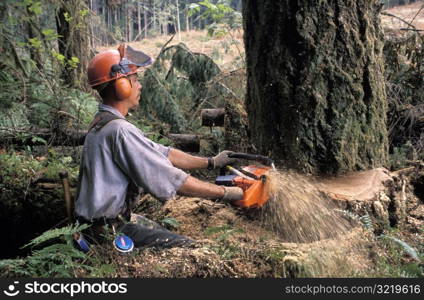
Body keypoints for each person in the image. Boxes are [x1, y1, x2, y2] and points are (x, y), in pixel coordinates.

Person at [74, 44, 244, 249]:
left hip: (99, 223)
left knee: (163, 232)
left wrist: (211, 162)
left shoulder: (103, 122)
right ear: (121, 86)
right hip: (107, 230)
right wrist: (224, 193)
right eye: (135, 80)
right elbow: (170, 179)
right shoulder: (119, 130)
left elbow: (163, 153)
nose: (140, 86)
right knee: (192, 249)